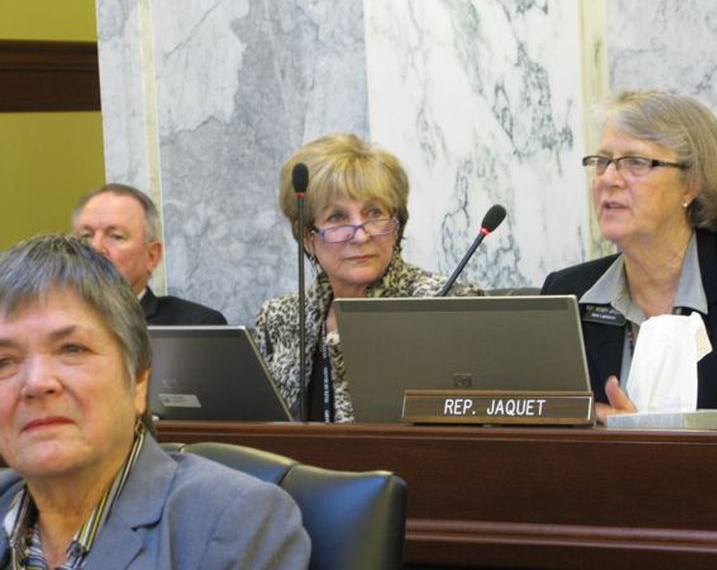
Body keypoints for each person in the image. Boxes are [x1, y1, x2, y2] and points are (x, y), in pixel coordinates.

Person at [0, 235, 310, 568]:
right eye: (4, 361)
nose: (36, 383)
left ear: (139, 381)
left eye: (72, 349)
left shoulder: (237, 522)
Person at [542, 90, 717, 428]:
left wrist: (655, 428)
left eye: (636, 162)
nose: (609, 179)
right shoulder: (569, 292)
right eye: (602, 161)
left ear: (691, 185)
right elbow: (536, 412)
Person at [255, 134, 483, 422]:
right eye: (337, 218)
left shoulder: (446, 304)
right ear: (306, 236)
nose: (361, 235)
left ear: (397, 223)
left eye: (373, 213)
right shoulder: (280, 317)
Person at [72, 183, 227, 325]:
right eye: (86, 236)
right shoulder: (51, 318)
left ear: (152, 256)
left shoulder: (196, 326)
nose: (96, 247)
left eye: (116, 236)